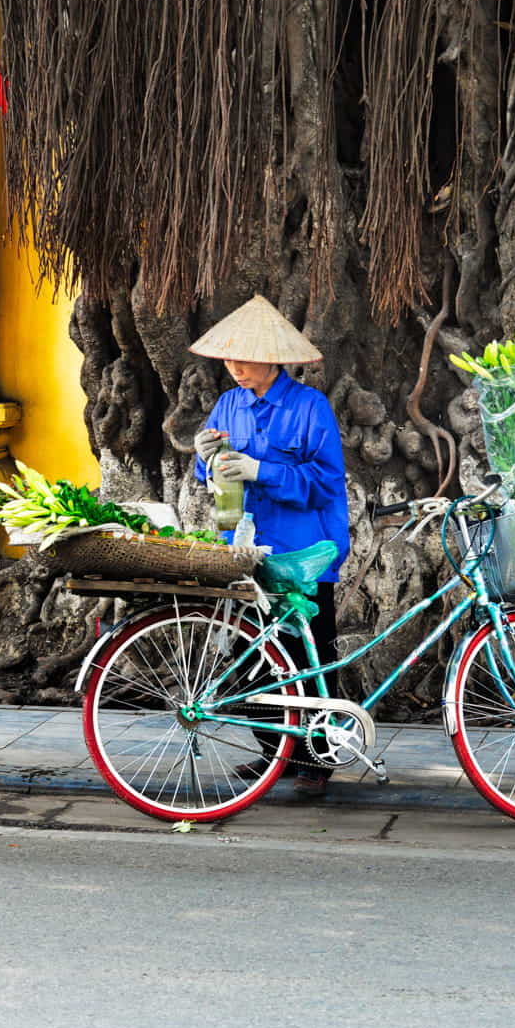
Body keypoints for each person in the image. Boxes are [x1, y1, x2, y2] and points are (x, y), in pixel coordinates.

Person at [191, 295, 350, 797]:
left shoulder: (310, 407)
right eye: (230, 359)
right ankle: (273, 750)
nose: (235, 368)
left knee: (309, 653)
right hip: (245, 546)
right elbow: (210, 475)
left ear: (273, 359)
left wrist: (262, 470)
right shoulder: (227, 404)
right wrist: (203, 458)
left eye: (245, 358)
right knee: (253, 652)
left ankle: (315, 760)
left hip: (304, 552)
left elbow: (326, 482)